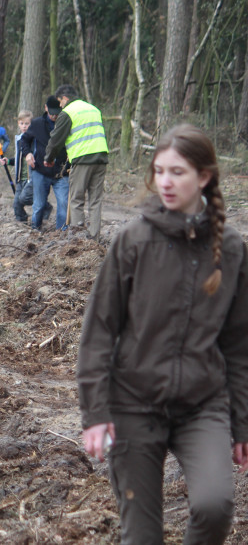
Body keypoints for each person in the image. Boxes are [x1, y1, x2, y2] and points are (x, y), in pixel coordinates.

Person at [78, 124, 248, 545]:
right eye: (159, 172)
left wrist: (242, 426)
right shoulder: (134, 240)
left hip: (202, 405)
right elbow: (99, 330)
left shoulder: (231, 247)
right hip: (134, 404)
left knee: (215, 507)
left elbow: (239, 344)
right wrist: (96, 414)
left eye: (178, 172)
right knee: (142, 536)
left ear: (204, 177)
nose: (165, 183)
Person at [45, 84, 108, 239]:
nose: (60, 105)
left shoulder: (68, 113)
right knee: (95, 201)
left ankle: (79, 240)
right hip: (101, 158)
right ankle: (94, 239)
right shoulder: (94, 109)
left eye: (60, 101)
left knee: (76, 199)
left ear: (65, 98)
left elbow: (56, 140)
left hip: (82, 159)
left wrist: (49, 158)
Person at [20, 96, 68, 231]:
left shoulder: (66, 123)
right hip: (40, 170)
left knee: (64, 203)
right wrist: (28, 154)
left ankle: (62, 233)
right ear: (46, 108)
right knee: (39, 205)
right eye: (51, 112)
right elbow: (24, 141)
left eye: (57, 113)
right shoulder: (36, 124)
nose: (54, 115)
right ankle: (36, 230)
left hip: (61, 172)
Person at [10, 110, 34, 222]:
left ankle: (45, 206)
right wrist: (9, 161)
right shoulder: (18, 139)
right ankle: (22, 222)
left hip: (30, 178)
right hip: (20, 177)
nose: (24, 126)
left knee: (24, 198)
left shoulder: (34, 140)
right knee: (16, 204)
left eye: (27, 124)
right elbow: (18, 158)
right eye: (21, 123)